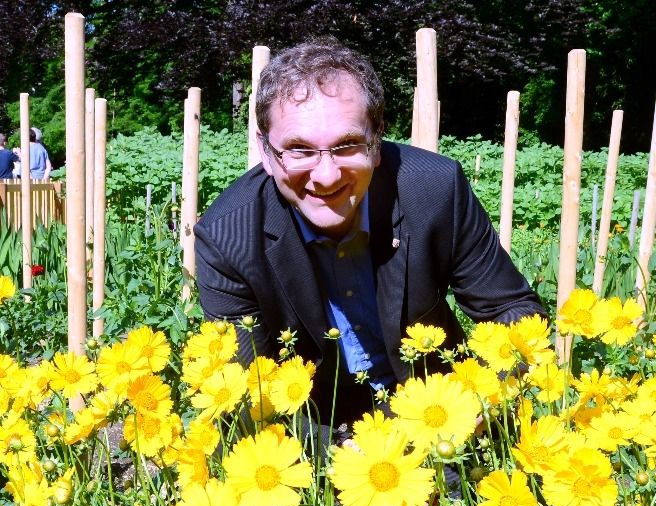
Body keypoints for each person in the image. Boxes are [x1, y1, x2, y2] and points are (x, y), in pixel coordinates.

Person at [194, 37, 545, 428]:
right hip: (318, 428)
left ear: (376, 142)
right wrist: (346, 455)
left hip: (441, 413)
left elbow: (515, 311)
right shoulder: (227, 237)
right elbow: (249, 392)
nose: (325, 176)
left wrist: (475, 404)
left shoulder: (434, 191)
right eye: (299, 149)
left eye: (347, 145)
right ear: (265, 151)